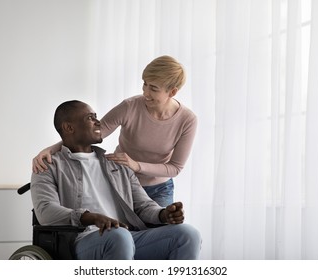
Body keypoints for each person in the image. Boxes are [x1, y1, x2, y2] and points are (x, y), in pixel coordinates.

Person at [30, 100, 201, 260]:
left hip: (126, 236)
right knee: (118, 236)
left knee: (187, 234)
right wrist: (91, 218)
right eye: (90, 118)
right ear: (68, 127)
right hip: (82, 239)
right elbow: (46, 212)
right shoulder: (49, 166)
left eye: (96, 116)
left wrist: (164, 214)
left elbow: (143, 205)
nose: (98, 122)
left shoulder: (117, 164)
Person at [32, 55, 197, 207]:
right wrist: (50, 150)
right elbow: (96, 132)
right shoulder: (130, 107)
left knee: (163, 235)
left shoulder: (187, 120)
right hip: (123, 183)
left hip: (160, 189)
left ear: (172, 91)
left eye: (153, 88)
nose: (145, 92)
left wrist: (136, 165)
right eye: (144, 83)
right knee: (127, 234)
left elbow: (175, 167)